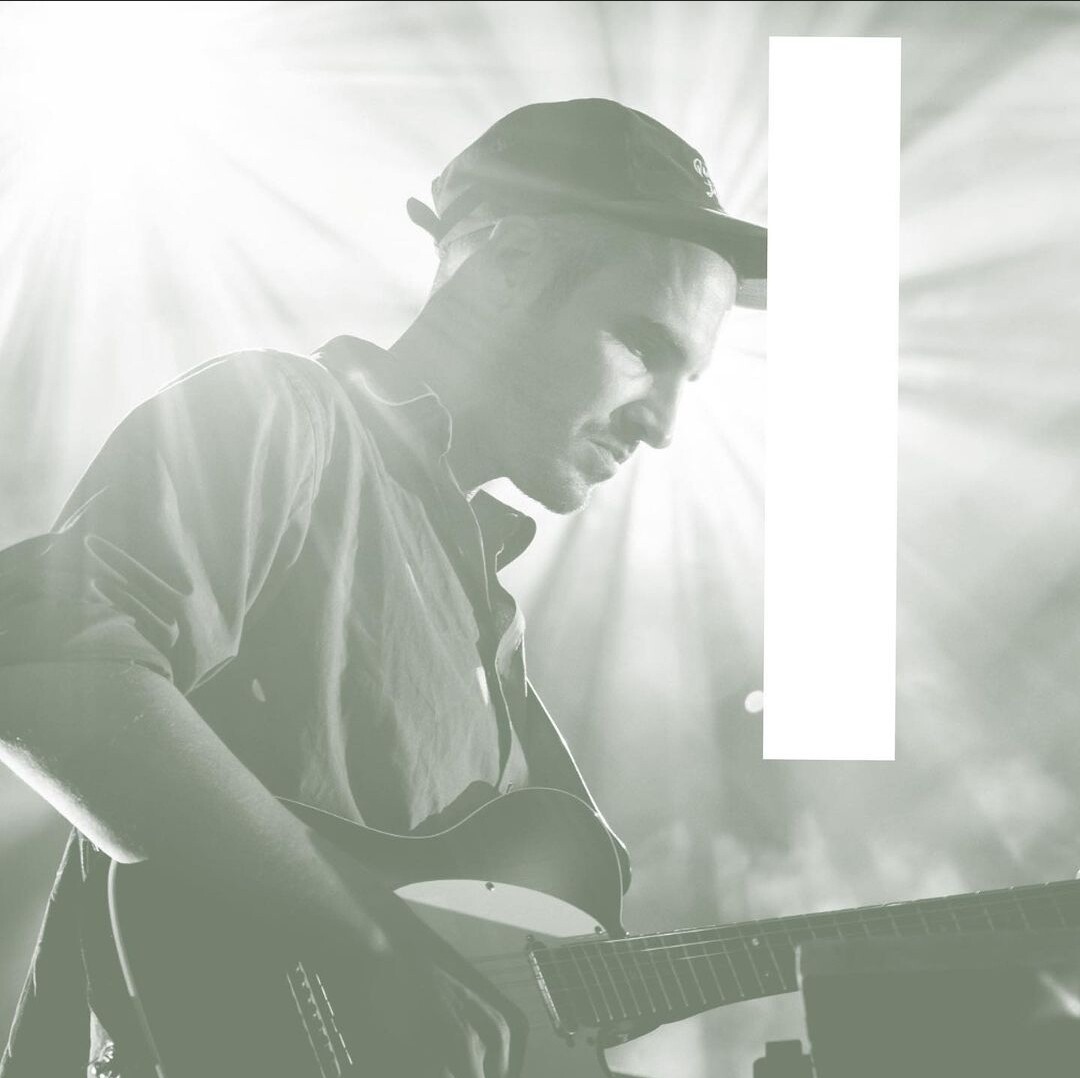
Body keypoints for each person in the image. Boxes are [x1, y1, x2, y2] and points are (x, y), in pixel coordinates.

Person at [0, 98, 765, 1077]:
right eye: (643, 346)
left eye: (687, 379)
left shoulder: (485, 612)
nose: (661, 423)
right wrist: (370, 952)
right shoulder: (284, 416)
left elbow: (482, 977)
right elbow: (49, 671)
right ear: (511, 262)